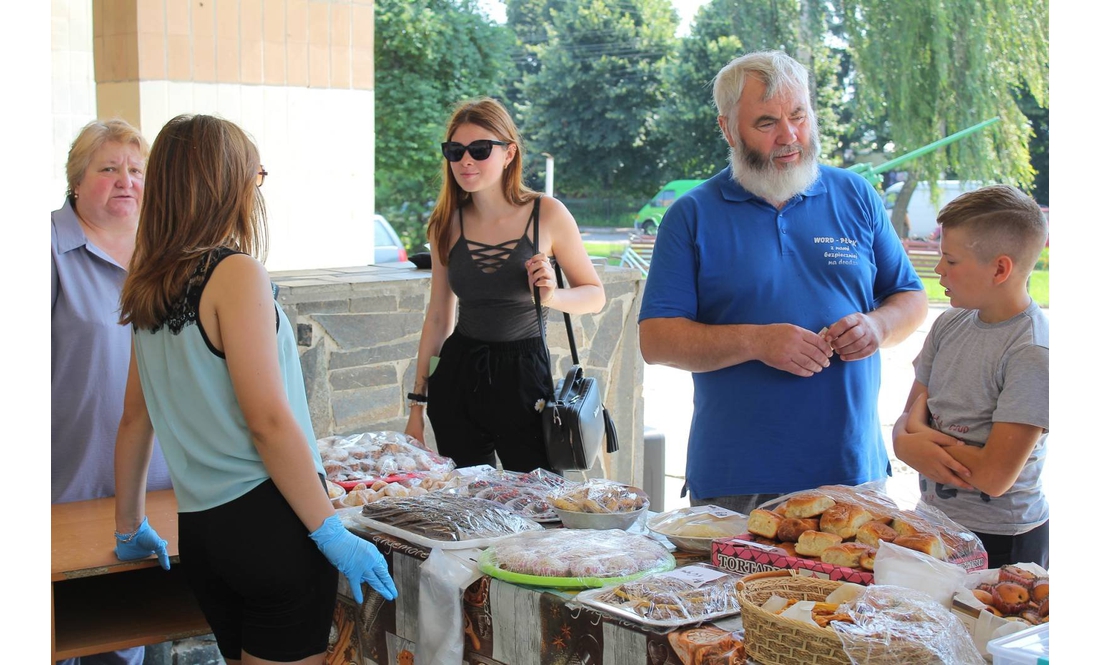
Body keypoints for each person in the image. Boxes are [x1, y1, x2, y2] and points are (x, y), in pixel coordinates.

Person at [111, 114, 397, 664]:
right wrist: (330, 529)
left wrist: (130, 527)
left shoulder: (147, 283)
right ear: (224, 182)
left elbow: (133, 420)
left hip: (201, 532)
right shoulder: (235, 273)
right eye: (254, 174)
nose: (255, 188)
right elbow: (267, 418)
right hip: (269, 525)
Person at [638, 50, 927, 515]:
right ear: (728, 129)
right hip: (736, 481)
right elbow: (656, 340)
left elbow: (910, 297)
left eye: (799, 115)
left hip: (852, 471)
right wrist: (757, 342)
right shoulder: (691, 215)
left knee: (855, 593)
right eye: (767, 122)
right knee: (734, 593)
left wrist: (878, 327)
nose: (789, 136)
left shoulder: (855, 195)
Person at [404, 97, 605, 472]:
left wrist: (552, 295)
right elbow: (437, 317)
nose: (466, 161)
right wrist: (417, 405)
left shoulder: (547, 214)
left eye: (480, 150)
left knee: (538, 506)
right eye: (455, 150)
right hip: (458, 375)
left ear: (509, 153)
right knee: (466, 506)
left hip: (526, 379)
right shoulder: (446, 223)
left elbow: (594, 295)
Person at [52, 118, 173, 665]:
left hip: (158, 488)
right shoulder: (46, 250)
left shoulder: (165, 256)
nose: (125, 180)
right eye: (108, 169)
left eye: (136, 170)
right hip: (68, 486)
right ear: (77, 181)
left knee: (135, 632)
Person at [892, 185, 1049, 569]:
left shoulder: (1032, 351)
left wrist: (918, 440)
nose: (939, 270)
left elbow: (994, 478)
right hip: (935, 524)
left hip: (1003, 541)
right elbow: (904, 425)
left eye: (951, 260)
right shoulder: (947, 324)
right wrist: (905, 441)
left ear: (1000, 268)